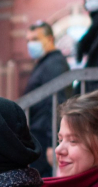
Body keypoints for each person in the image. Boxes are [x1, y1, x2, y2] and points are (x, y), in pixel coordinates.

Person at [22, 21, 71, 177]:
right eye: (28, 40)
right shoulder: (45, 64)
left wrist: (53, 143)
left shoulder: (54, 64)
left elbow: (57, 103)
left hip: (46, 138)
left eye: (35, 39)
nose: (31, 44)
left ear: (50, 39)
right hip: (40, 135)